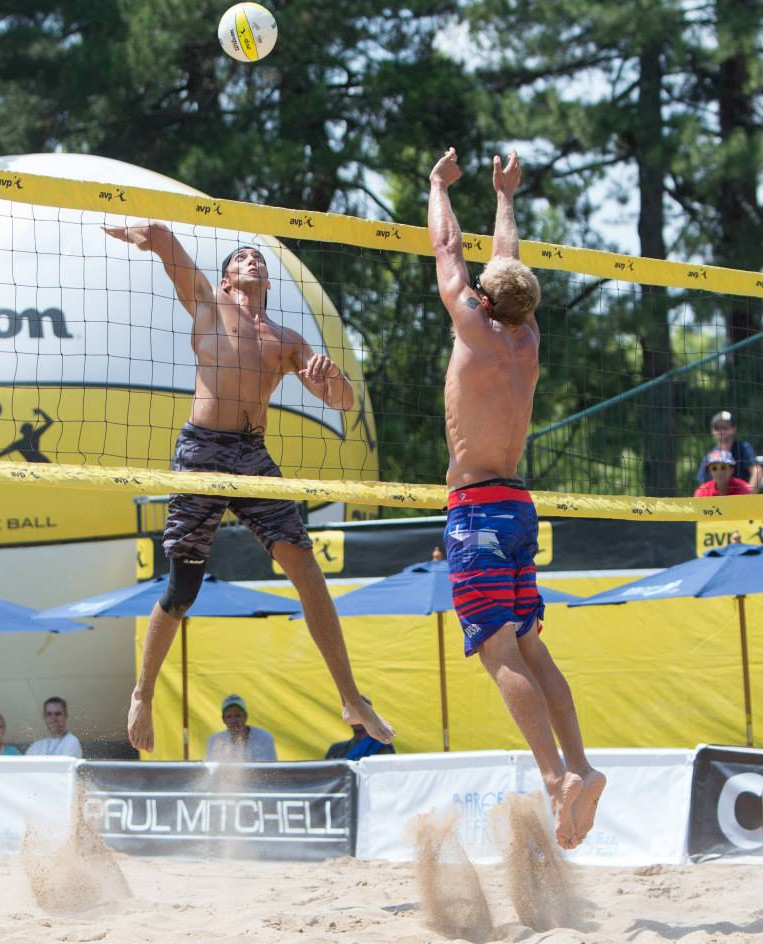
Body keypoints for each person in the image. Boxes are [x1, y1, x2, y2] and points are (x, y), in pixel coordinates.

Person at [102, 222, 394, 755]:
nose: (252, 260)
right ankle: (142, 694)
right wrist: (141, 230)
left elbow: (343, 402)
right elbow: (167, 244)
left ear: (267, 283)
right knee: (183, 589)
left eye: (257, 258)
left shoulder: (286, 340)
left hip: (252, 456)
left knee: (307, 569)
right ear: (227, 279)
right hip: (202, 453)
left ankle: (351, 698)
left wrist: (331, 377)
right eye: (240, 258)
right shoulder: (209, 305)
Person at [429, 146, 605, 851]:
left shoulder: (474, 327)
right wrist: (504, 198)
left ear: (485, 298)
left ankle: (556, 778)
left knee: (499, 650)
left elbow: (448, 250)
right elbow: (506, 266)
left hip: (475, 510)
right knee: (531, 644)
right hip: (517, 507)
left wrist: (440, 186)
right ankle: (582, 765)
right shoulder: (525, 336)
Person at [695, 410, 759, 490]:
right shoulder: (709, 456)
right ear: (712, 431)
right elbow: (703, 485)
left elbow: (757, 472)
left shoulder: (744, 448)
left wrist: (747, 495)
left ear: (734, 429)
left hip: (742, 495)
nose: (721, 430)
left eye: (725, 427)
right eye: (717, 427)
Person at [205, 694, 277, 762]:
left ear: (245, 717)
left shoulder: (263, 737)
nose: (234, 721)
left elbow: (268, 768)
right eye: (229, 716)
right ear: (223, 720)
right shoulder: (215, 741)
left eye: (238, 715)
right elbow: (212, 768)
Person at [325, 695, 396, 759]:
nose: (357, 717)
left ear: (371, 715)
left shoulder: (381, 746)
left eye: (362, 713)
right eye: (352, 712)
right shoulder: (335, 749)